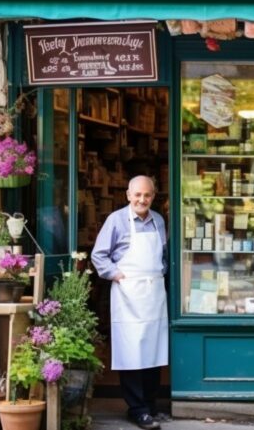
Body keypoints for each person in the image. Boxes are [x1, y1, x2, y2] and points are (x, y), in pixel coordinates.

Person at [92, 175, 170, 429]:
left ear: (153, 196)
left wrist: (161, 273)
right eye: (137, 195)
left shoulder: (158, 220)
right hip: (128, 293)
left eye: (147, 195)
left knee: (154, 350)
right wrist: (115, 274)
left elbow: (165, 255)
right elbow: (99, 255)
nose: (142, 200)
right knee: (131, 351)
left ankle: (150, 404)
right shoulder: (116, 220)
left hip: (154, 293)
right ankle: (137, 409)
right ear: (128, 195)